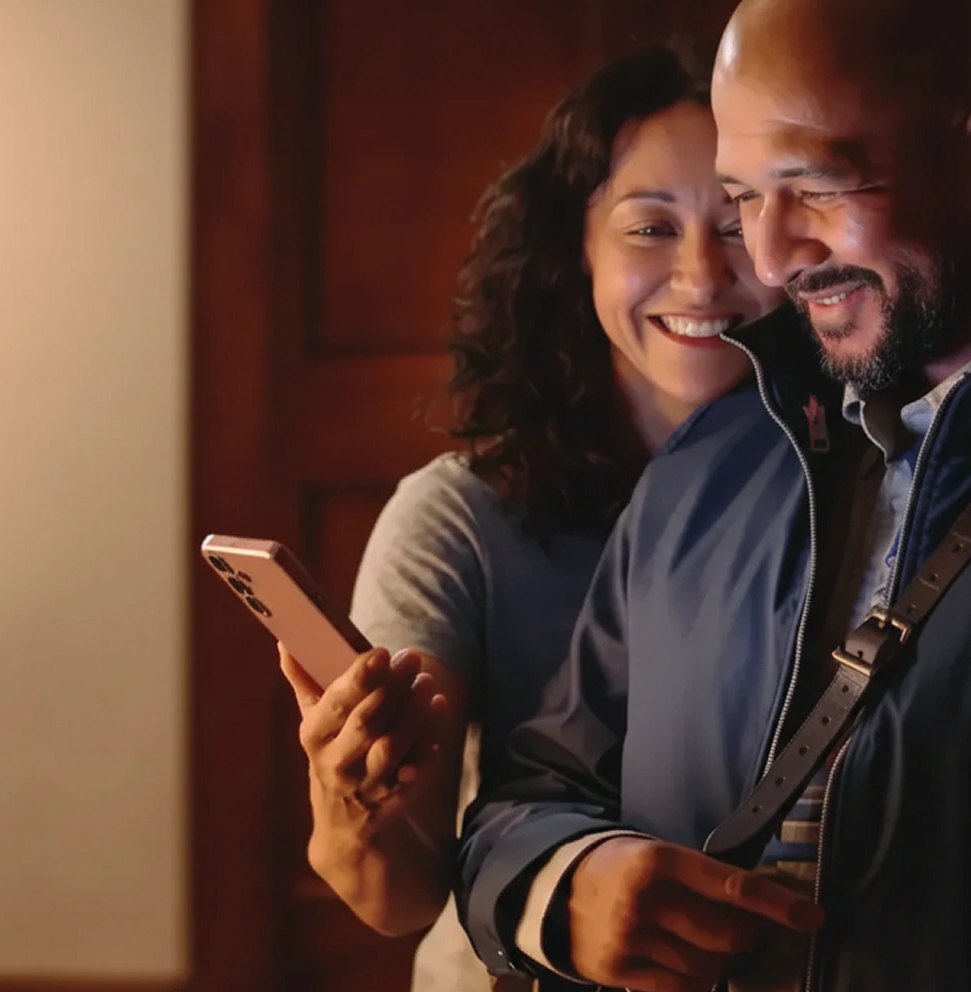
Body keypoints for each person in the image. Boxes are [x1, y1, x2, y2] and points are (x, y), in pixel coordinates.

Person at [456, 0, 971, 990]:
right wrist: (571, 885)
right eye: (745, 200)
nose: (771, 259)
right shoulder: (703, 468)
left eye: (813, 185)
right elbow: (535, 789)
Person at [277, 45, 785, 992]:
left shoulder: (857, 492)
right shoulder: (460, 520)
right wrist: (351, 803)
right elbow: (393, 899)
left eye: (738, 221)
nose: (703, 274)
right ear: (575, 251)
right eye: (649, 228)